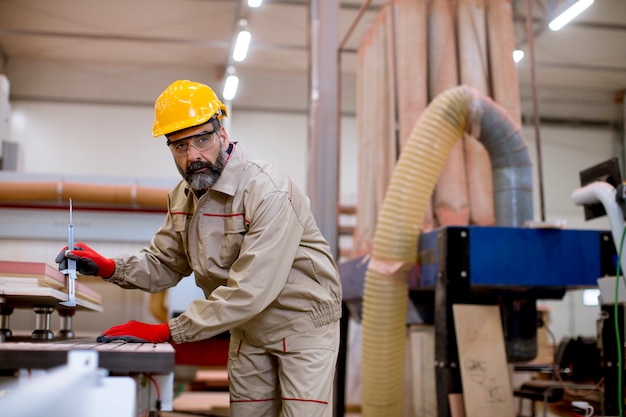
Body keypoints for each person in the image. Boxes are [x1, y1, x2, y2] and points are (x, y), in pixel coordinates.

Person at [56, 79, 343, 417]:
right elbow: (165, 262)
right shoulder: (183, 198)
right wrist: (108, 268)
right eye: (180, 146)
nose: (193, 156)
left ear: (223, 134)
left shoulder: (268, 191)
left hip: (301, 327)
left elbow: (250, 290)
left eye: (202, 140)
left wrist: (168, 331)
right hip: (248, 328)